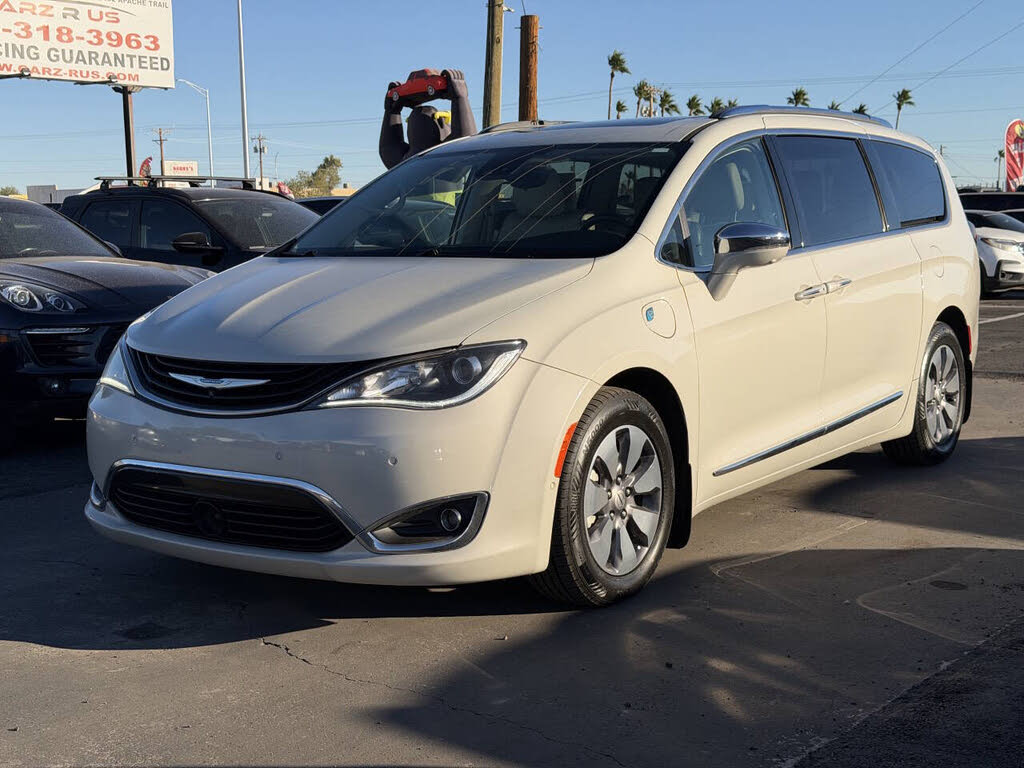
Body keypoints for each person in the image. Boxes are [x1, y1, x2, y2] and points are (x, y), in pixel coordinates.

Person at [379, 69, 477, 170]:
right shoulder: (447, 157)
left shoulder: (405, 162)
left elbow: (388, 147)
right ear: (441, 124)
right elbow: (465, 142)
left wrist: (392, 111)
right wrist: (460, 98)